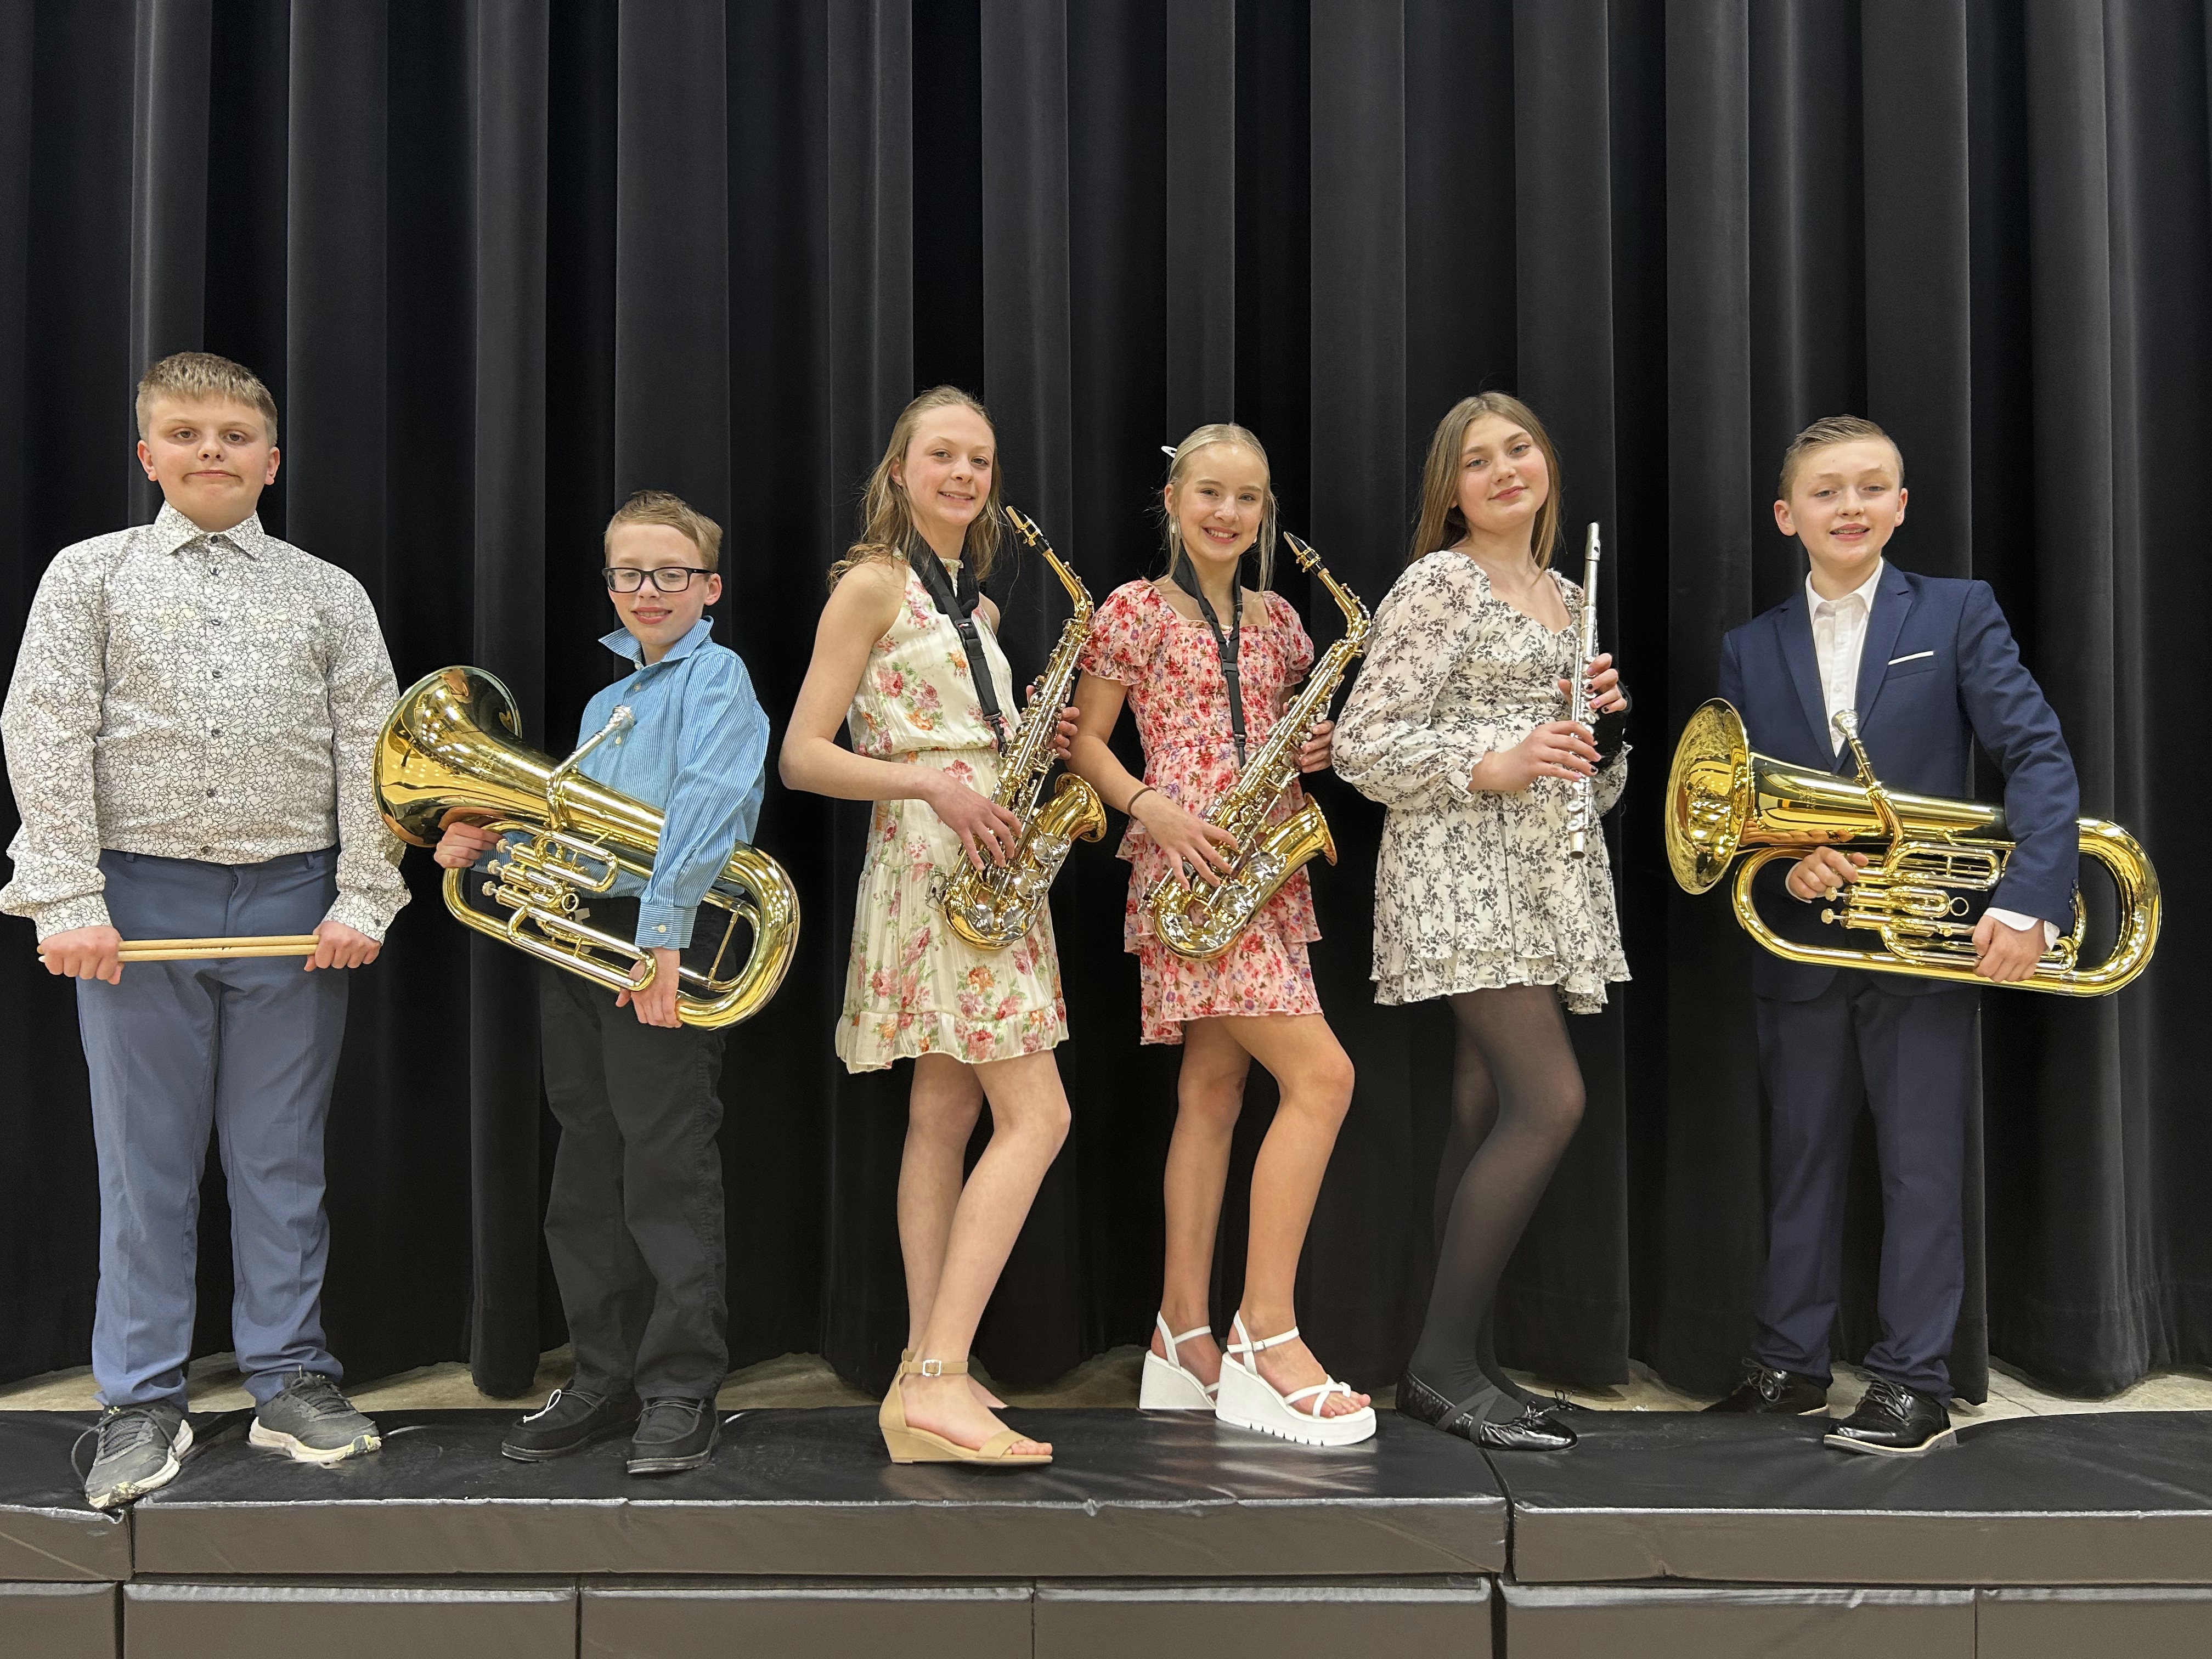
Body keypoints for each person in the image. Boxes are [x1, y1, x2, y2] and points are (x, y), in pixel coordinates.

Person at [1, 352, 405, 1507]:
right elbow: (44, 731)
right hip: (139, 903)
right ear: (149, 455)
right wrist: (70, 899)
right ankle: (140, 1398)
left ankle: (290, 1378)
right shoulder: (90, 577)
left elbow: (373, 752)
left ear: (272, 459)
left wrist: (363, 895)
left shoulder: (329, 593)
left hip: (294, 902)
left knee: (280, 1161)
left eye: (235, 435)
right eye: (187, 434)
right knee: (146, 1166)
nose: (213, 452)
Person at [1703, 415, 2078, 1456]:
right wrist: (1787, 862)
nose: (1851, 506)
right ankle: (1787, 1366)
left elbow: (2037, 757)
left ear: (1901, 507)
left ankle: (1913, 1382)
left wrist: (2031, 898)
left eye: (1872, 488)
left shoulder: (1958, 612)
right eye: (1827, 492)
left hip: (1924, 948)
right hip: (1809, 944)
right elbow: (1743, 813)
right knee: (1801, 1159)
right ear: (1789, 516)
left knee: (1921, 1167)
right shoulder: (1748, 646)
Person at [436, 491, 769, 1476]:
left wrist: (662, 938)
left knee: (666, 1165)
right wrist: (491, 844)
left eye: (670, 573)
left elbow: (712, 808)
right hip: (580, 939)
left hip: (662, 937)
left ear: (709, 588)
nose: (647, 590)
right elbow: (578, 835)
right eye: (628, 572)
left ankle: (680, 1389)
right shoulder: (602, 702)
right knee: (587, 1164)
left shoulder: (719, 678)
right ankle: (602, 1375)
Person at [781, 386, 1079, 1469]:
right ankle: (947, 1373)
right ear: (900, 471)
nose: (964, 474)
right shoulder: (871, 583)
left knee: (946, 1115)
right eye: (944, 455)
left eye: (981, 460)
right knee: (1037, 1118)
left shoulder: (974, 604)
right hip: (939, 855)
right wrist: (936, 787)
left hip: (989, 860)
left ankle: (920, 1375)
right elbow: (804, 756)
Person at [1333, 392, 1628, 1452]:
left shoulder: (1560, 593)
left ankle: (1468, 1362)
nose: (1505, 470)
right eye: (1477, 460)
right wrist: (1491, 762)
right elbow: (1363, 744)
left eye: (1521, 449)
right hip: (1461, 872)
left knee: (1480, 1109)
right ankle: (1441, 1368)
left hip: (1541, 876)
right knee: (1551, 1102)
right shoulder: (1440, 581)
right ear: (1449, 490)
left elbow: (1584, 785)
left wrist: (1604, 731)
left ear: (1546, 461)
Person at [1067, 425, 1372, 1446]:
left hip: (1264, 869)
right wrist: (1149, 809)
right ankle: (1267, 1338)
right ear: (1172, 498)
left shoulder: (1284, 618)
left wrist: (1315, 750)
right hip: (1188, 869)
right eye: (1209, 492)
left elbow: (1276, 740)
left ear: (1266, 508)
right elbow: (1088, 750)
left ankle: (1181, 1332)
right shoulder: (1133, 610)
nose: (1227, 512)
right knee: (1324, 1080)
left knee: (1212, 1093)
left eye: (1248, 497)